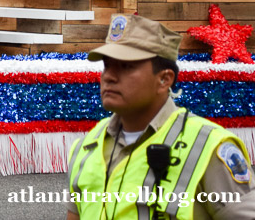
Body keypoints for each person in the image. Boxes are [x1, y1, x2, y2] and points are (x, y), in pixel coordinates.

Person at [66, 14, 255, 219]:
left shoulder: (208, 146)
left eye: (126, 66)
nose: (109, 76)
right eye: (107, 66)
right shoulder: (87, 145)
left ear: (164, 79)